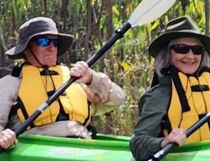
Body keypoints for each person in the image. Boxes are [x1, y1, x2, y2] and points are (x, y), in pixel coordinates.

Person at [130, 15, 210, 161]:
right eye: (181, 49)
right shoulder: (160, 94)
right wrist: (163, 142)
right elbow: (138, 144)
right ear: (167, 54)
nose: (190, 56)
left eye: (196, 50)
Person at [0, 17, 126, 150]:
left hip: (82, 147)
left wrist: (91, 78)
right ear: (26, 49)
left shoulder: (76, 79)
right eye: (43, 42)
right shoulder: (10, 83)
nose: (51, 47)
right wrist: (4, 137)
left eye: (54, 43)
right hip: (38, 149)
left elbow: (119, 99)